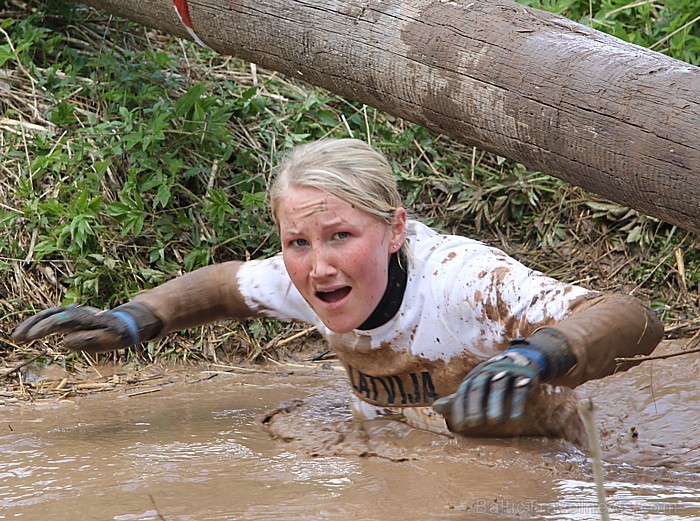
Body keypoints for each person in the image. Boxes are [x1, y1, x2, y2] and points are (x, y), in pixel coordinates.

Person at [12, 138, 663, 445]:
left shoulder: (466, 281)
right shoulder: (308, 279)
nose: (317, 265)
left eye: (341, 235)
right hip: (405, 456)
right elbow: (221, 285)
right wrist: (135, 317)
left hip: (539, 466)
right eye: (298, 242)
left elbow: (634, 318)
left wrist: (537, 355)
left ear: (394, 230)